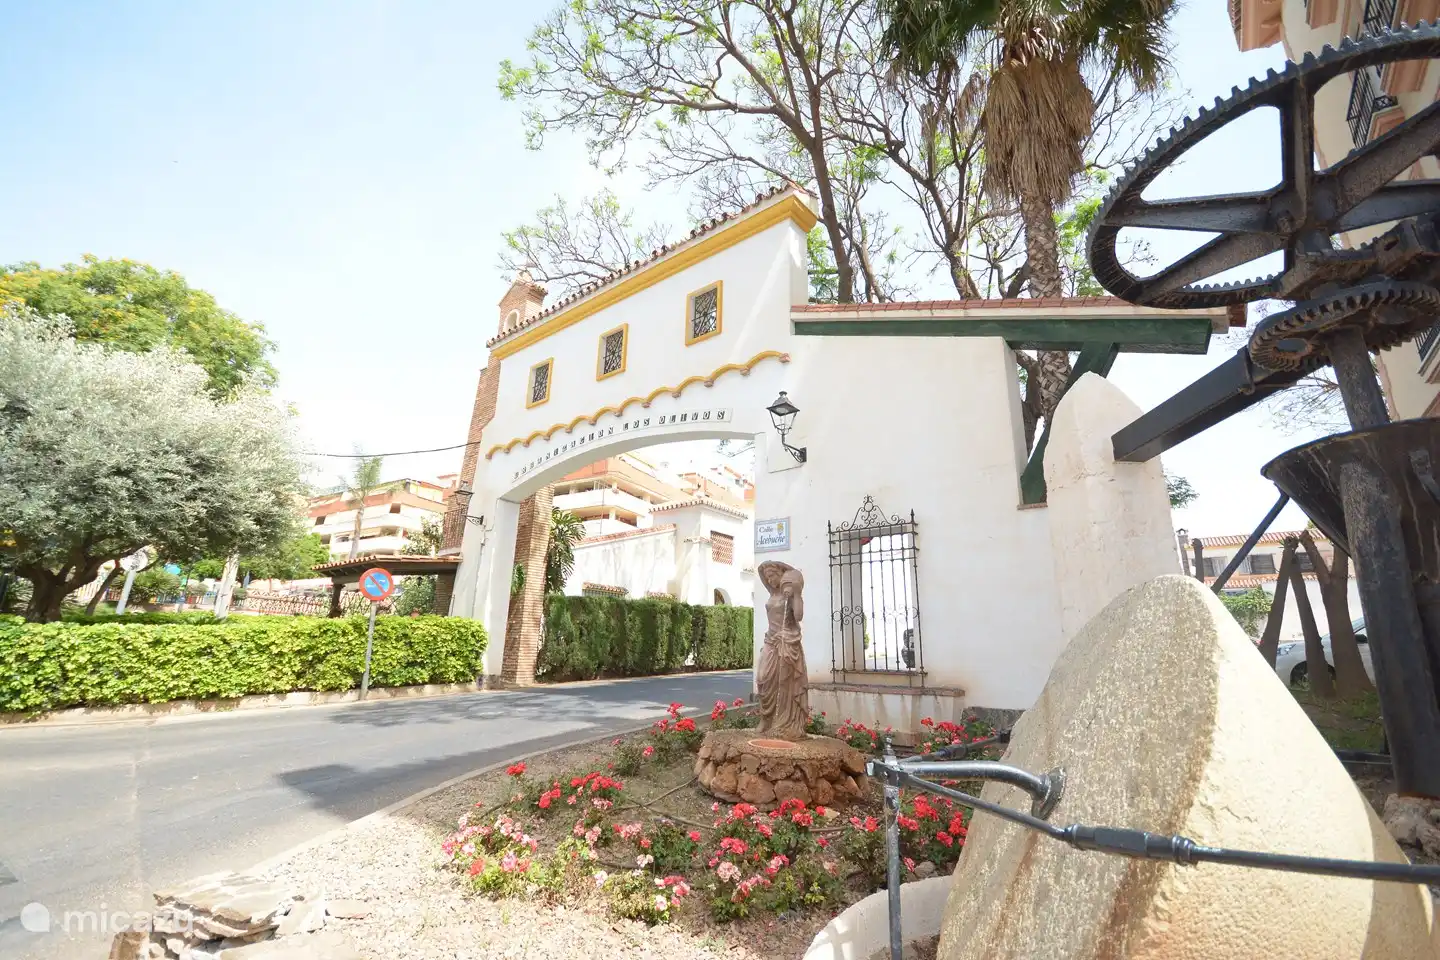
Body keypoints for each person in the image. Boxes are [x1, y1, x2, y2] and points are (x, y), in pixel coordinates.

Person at [756, 560, 809, 740]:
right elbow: (760, 573)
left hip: (787, 641)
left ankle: (783, 723)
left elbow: (799, 616)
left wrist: (796, 591)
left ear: (782, 575)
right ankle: (766, 718)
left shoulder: (789, 594)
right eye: (768, 577)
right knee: (763, 678)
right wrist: (767, 568)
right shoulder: (772, 592)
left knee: (784, 683)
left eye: (773, 576)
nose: (770, 580)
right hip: (770, 640)